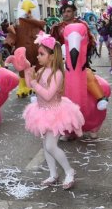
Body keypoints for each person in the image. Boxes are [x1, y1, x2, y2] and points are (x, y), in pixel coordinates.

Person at [22, 32, 84, 190]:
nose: (38, 57)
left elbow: (48, 95)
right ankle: (53, 174)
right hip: (42, 112)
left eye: (41, 54)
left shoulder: (57, 74)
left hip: (55, 113)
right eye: (38, 54)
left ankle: (69, 171)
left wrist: (35, 84)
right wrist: (28, 75)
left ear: (51, 56)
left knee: (50, 146)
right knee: (45, 145)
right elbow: (32, 86)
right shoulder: (42, 71)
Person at [51, 0, 108, 110]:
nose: (66, 14)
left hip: (80, 60)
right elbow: (52, 43)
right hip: (63, 61)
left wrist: (83, 52)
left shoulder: (82, 25)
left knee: (87, 78)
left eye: (68, 11)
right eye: (64, 12)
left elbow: (90, 41)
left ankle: (100, 98)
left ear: (74, 12)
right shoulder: (57, 27)